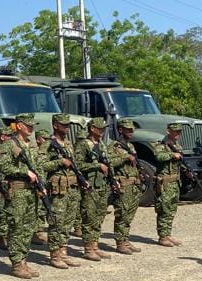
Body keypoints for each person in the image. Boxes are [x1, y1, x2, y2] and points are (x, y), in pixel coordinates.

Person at [0, 113, 44, 278]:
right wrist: (24, 171)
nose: (31, 128)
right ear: (19, 125)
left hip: (31, 191)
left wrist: (42, 185)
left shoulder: (31, 145)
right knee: (16, 227)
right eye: (28, 125)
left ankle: (23, 260)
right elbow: (2, 166)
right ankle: (16, 264)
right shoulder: (10, 144)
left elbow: (38, 167)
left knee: (28, 228)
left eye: (32, 125)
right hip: (17, 191)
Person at [41, 114, 81, 268]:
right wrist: (59, 162)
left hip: (72, 188)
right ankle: (55, 254)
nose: (67, 127)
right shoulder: (48, 145)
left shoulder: (68, 144)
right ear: (55, 125)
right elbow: (42, 165)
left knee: (68, 222)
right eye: (63, 125)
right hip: (58, 189)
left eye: (67, 125)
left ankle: (63, 251)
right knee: (56, 222)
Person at [74, 117, 113, 262]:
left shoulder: (101, 144)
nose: (102, 130)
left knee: (99, 216)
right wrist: (96, 166)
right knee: (89, 216)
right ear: (92, 129)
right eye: (100, 128)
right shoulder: (84, 144)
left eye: (103, 128)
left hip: (102, 185)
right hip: (89, 186)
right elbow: (77, 165)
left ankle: (95, 246)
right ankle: (88, 248)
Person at [108, 119, 144, 254]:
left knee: (129, 215)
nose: (131, 132)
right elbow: (110, 162)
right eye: (128, 129)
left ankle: (126, 240)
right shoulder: (114, 146)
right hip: (122, 185)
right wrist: (125, 157)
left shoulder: (130, 146)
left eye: (132, 130)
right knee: (122, 214)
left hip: (133, 185)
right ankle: (120, 242)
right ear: (120, 130)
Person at [151, 123, 185, 247]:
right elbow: (158, 157)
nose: (178, 134)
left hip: (174, 182)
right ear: (168, 131)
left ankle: (168, 234)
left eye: (179, 132)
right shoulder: (160, 146)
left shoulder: (177, 146)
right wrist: (172, 155)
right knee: (163, 209)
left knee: (171, 209)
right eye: (175, 132)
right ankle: (162, 236)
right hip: (164, 183)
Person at [0, 125, 14, 249]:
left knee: (12, 211)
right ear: (2, 137)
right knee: (1, 212)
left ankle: (11, 237)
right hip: (1, 185)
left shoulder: (15, 149)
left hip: (13, 186)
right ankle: (2, 237)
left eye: (12, 136)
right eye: (9, 136)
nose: (11, 138)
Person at [32, 126, 51, 245]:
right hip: (36, 184)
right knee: (37, 208)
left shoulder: (47, 152)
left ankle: (38, 231)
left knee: (43, 208)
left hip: (46, 183)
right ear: (38, 139)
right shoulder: (34, 151)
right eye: (45, 139)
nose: (47, 141)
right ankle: (35, 233)